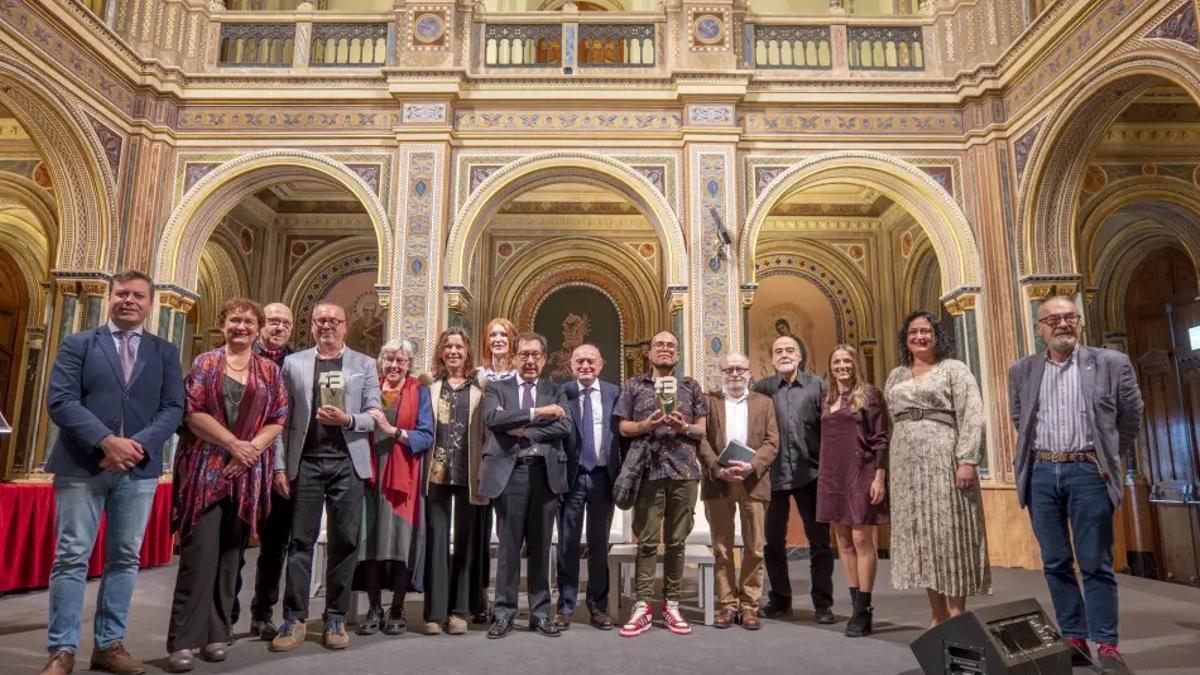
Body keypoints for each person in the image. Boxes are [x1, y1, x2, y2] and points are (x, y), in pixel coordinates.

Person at [41, 270, 185, 675]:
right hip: (81, 466)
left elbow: (174, 408)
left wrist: (133, 448)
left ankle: (109, 645)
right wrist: (106, 441)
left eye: (138, 295)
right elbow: (61, 401)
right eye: (122, 293)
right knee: (71, 557)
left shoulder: (164, 351)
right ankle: (62, 649)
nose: (129, 301)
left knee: (124, 558)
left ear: (150, 303)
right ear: (110, 297)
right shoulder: (79, 343)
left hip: (137, 470)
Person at [1009, 296, 1143, 674]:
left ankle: (1107, 644)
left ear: (1080, 322)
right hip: (1041, 473)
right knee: (1055, 562)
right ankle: (1074, 639)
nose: (1062, 324)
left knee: (1095, 562)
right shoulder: (1022, 370)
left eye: (1069, 317)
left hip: (1088, 471)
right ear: (1040, 328)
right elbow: (1020, 417)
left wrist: (1107, 454)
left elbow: (1131, 415)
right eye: (1053, 320)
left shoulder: (1110, 363)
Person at [165, 298, 287, 672]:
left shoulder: (269, 370)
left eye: (249, 322)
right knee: (199, 555)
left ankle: (218, 633)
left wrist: (250, 451)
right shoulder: (206, 364)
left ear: (258, 329)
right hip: (206, 471)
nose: (241, 327)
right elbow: (193, 412)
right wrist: (233, 444)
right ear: (223, 325)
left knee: (231, 557)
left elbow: (279, 416)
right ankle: (184, 639)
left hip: (246, 474)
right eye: (235, 320)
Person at [269, 302, 382, 652]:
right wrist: (279, 466)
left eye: (334, 320)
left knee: (345, 542)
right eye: (321, 320)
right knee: (300, 542)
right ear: (312, 325)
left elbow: (374, 415)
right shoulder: (294, 363)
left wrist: (347, 420)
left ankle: (335, 617)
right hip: (307, 463)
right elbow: (281, 420)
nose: (327, 326)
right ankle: (295, 618)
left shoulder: (365, 364)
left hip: (347, 464)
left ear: (345, 326)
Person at [885, 310, 990, 627]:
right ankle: (938, 614)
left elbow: (972, 414)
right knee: (924, 537)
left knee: (950, 533)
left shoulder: (953, 369)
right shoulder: (896, 376)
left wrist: (967, 460)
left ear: (936, 336)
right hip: (906, 466)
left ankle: (957, 614)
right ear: (905, 338)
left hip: (945, 460)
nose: (919, 337)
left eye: (925, 331)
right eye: (913, 332)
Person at [614, 330, 708, 637]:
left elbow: (702, 430)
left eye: (670, 345)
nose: (665, 349)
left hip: (684, 472)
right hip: (648, 472)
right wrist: (646, 425)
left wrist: (684, 426)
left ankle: (672, 605)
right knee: (647, 541)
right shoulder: (633, 385)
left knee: (677, 542)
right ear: (649, 352)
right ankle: (643, 605)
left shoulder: (691, 386)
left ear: (677, 354)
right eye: (659, 345)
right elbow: (623, 427)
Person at [480, 332, 573, 639]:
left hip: (545, 475)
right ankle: (504, 613)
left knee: (541, 547)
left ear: (544, 359)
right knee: (508, 547)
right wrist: (539, 413)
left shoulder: (555, 390)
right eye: (524, 355)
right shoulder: (497, 388)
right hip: (511, 474)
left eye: (536, 355)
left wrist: (524, 430)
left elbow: (565, 426)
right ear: (514, 358)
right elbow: (493, 419)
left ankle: (540, 613)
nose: (530, 360)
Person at [354, 339, 435, 636]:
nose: (394, 365)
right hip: (368, 473)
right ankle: (374, 608)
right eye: (389, 359)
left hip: (404, 476)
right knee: (370, 540)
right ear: (380, 362)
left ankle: (398, 607)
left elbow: (426, 436)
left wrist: (392, 431)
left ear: (409, 365)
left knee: (402, 541)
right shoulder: (368, 389)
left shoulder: (419, 392)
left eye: (400, 361)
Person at [753, 335, 835, 624]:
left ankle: (823, 605)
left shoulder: (817, 386)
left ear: (800, 356)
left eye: (790, 350)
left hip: (810, 473)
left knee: (820, 541)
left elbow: (830, 428)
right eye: (779, 351)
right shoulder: (762, 388)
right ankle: (780, 600)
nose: (784, 354)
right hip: (772, 475)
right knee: (772, 542)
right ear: (772, 357)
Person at [697, 352, 779, 630]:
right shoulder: (708, 402)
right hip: (719, 482)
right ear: (721, 372)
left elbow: (772, 441)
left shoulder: (764, 403)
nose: (734, 374)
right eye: (729, 369)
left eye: (740, 369)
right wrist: (718, 469)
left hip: (753, 482)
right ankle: (727, 604)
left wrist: (751, 465)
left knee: (755, 547)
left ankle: (749, 606)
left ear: (749, 372)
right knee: (722, 547)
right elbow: (701, 440)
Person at [816, 344, 889, 638]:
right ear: (830, 366)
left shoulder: (869, 395)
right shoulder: (826, 398)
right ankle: (855, 604)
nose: (842, 366)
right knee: (843, 541)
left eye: (847, 361)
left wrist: (879, 477)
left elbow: (881, 439)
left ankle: (864, 609)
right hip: (832, 476)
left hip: (861, 473)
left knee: (862, 539)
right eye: (837, 361)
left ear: (855, 364)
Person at [423, 327, 489, 636]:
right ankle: (435, 612)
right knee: (436, 541)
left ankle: (460, 611)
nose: (453, 351)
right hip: (435, 473)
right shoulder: (430, 386)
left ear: (467, 352)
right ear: (441, 351)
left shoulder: (481, 386)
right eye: (448, 346)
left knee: (466, 540)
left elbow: (487, 431)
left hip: (468, 472)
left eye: (458, 347)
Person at [555, 344, 622, 630]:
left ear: (601, 364)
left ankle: (598, 607)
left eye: (590, 361)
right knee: (567, 544)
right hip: (571, 479)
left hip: (602, 477)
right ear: (571, 365)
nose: (585, 365)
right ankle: (565, 607)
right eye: (579, 361)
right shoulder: (561, 393)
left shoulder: (614, 393)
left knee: (599, 545)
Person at [244, 302, 295, 640]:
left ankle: (262, 614)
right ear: (262, 324)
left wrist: (282, 467)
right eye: (274, 322)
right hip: (242, 462)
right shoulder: (241, 357)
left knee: (275, 546)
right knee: (233, 544)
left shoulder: (296, 363)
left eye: (285, 324)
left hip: (282, 468)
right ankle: (223, 616)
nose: (279, 328)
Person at [471, 317, 518, 624]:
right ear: (486, 341)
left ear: (512, 340)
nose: (498, 339)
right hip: (480, 457)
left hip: (511, 458)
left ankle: (505, 601)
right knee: (479, 533)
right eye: (493, 335)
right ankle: (480, 598)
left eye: (503, 335)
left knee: (507, 535)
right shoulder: (476, 375)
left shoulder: (519, 377)